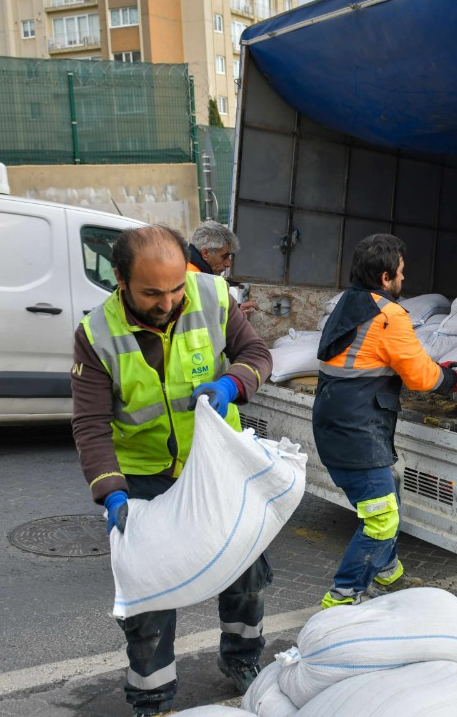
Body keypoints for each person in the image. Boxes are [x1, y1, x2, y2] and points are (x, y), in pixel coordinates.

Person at [70, 225, 274, 714]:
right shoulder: (96, 335)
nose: (168, 302)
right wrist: (111, 492)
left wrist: (231, 385)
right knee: (149, 594)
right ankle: (152, 695)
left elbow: (257, 355)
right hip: (142, 476)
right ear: (119, 279)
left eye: (176, 287)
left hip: (213, 463)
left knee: (245, 570)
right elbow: (91, 425)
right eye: (152, 293)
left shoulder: (212, 296)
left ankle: (242, 658)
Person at [311, 233, 457, 609]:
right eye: (400, 273)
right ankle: (342, 599)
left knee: (389, 494)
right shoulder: (389, 315)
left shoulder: (350, 302)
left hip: (336, 422)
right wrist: (452, 379)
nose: (404, 279)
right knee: (381, 519)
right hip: (358, 431)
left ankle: (386, 573)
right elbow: (421, 378)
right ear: (385, 278)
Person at [187, 220, 258, 314]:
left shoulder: (191, 272)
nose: (228, 263)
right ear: (205, 253)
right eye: (224, 257)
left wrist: (235, 311)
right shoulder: (196, 279)